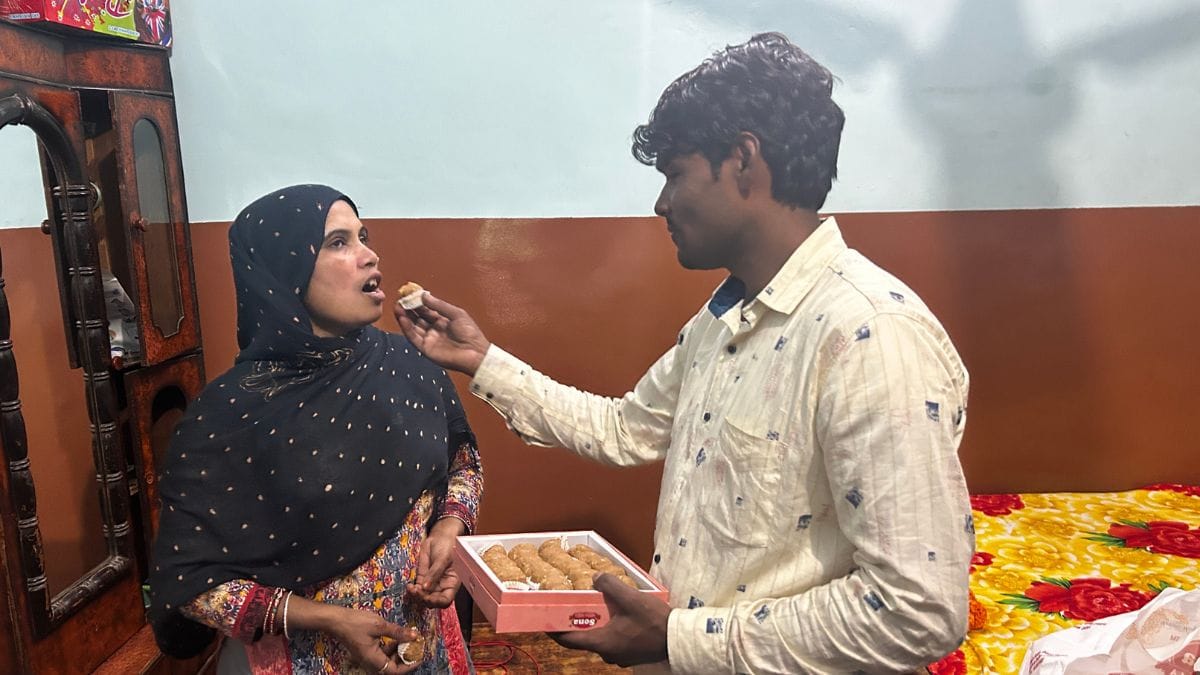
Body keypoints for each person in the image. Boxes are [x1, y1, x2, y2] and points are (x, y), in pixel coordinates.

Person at [396, 33, 973, 673]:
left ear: (744, 160)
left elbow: (916, 610)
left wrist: (681, 638)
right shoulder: (721, 322)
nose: (661, 203)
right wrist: (482, 359)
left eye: (675, 174)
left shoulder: (871, 335)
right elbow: (624, 429)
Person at [147, 184, 483, 675]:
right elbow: (191, 586)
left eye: (363, 236)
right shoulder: (226, 415)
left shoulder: (410, 363)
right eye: (338, 243)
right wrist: (326, 618)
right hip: (302, 659)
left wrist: (449, 529)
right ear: (282, 271)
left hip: (427, 648)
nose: (369, 254)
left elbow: (463, 465)